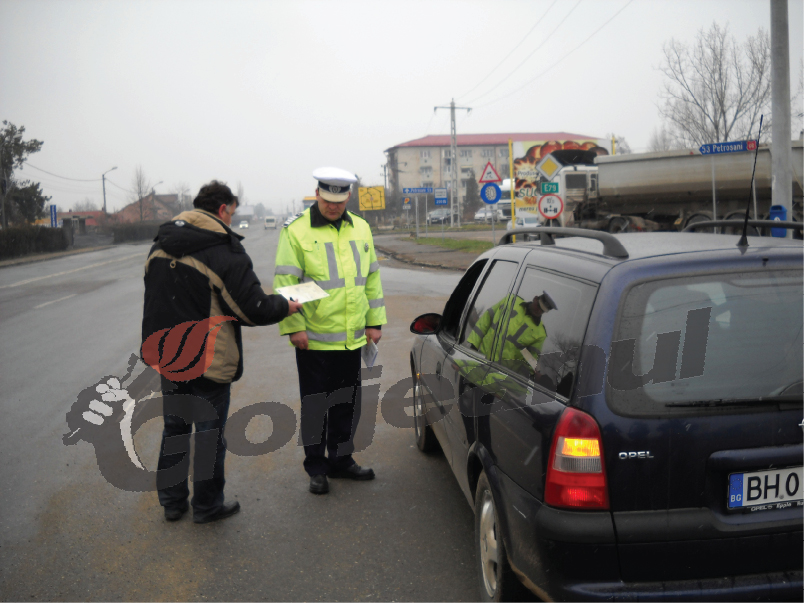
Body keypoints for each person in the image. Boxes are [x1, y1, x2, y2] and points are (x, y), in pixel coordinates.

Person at [141, 180, 302, 523]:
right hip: (208, 358)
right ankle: (207, 506)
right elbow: (253, 308)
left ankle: (172, 503)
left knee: (175, 429)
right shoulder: (222, 250)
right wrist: (285, 306)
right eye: (233, 212)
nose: (232, 218)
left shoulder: (160, 244)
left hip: (169, 355)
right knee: (209, 433)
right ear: (223, 209)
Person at [273, 167, 387, 495]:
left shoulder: (361, 228)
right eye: (327, 200)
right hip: (314, 338)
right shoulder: (296, 231)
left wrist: (374, 322)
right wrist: (294, 327)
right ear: (318, 194)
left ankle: (341, 460)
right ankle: (316, 467)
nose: (333, 207)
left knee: (346, 403)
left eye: (339, 201)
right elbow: (286, 283)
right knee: (315, 406)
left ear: (348, 197)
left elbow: (372, 279)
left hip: (352, 337)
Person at [467, 291, 557, 377]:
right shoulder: (511, 300)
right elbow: (486, 320)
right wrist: (473, 347)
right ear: (535, 298)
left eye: (542, 310)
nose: (538, 310)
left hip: (500, 378)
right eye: (538, 306)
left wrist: (514, 384)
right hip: (478, 362)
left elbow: (530, 361)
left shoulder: (540, 333)